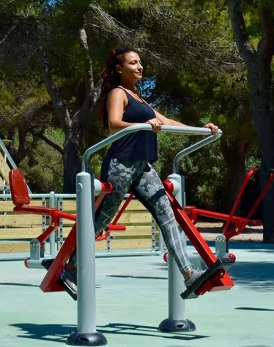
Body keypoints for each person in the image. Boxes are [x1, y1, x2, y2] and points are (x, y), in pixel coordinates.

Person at [59, 46, 219, 300]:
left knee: (168, 215)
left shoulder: (140, 99)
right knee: (102, 220)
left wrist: (201, 129)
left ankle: (189, 274)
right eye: (133, 63)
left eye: (140, 62)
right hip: (120, 163)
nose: (139, 66)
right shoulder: (118, 93)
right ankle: (70, 269)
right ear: (119, 69)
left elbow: (167, 123)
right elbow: (114, 124)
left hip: (143, 165)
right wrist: (143, 125)